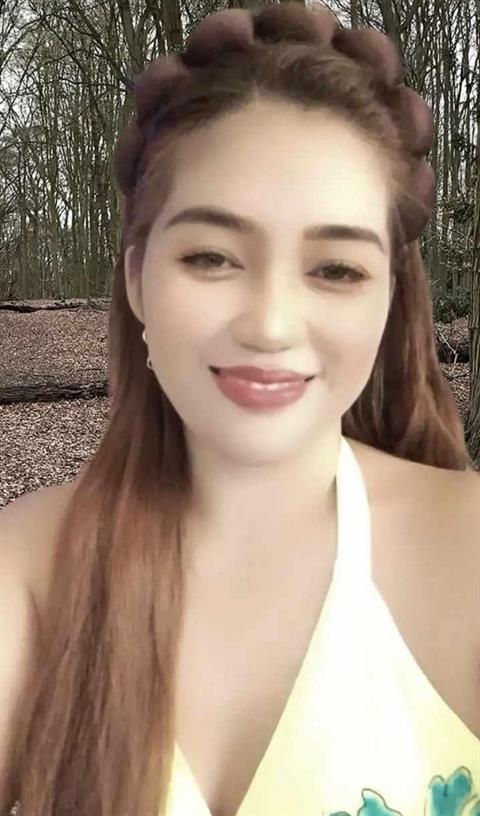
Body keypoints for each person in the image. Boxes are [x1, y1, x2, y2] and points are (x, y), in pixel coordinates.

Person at [7, 3, 479, 815]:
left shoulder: (467, 555)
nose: (270, 324)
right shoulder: (26, 572)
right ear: (136, 280)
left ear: (390, 299)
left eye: (336, 269)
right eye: (212, 257)